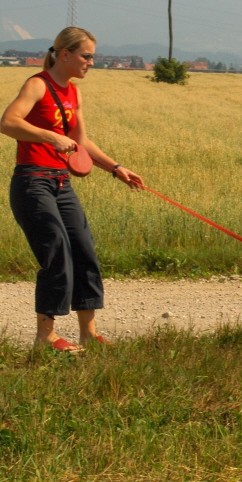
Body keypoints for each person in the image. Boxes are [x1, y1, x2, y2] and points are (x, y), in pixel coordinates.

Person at [0, 26, 144, 352]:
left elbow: (81, 143)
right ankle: (46, 336)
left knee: (83, 250)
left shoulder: (73, 93)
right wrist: (51, 137)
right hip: (32, 182)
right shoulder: (37, 85)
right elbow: (8, 122)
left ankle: (88, 333)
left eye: (93, 56)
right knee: (57, 252)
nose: (91, 61)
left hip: (61, 184)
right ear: (64, 54)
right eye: (86, 55)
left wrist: (116, 168)